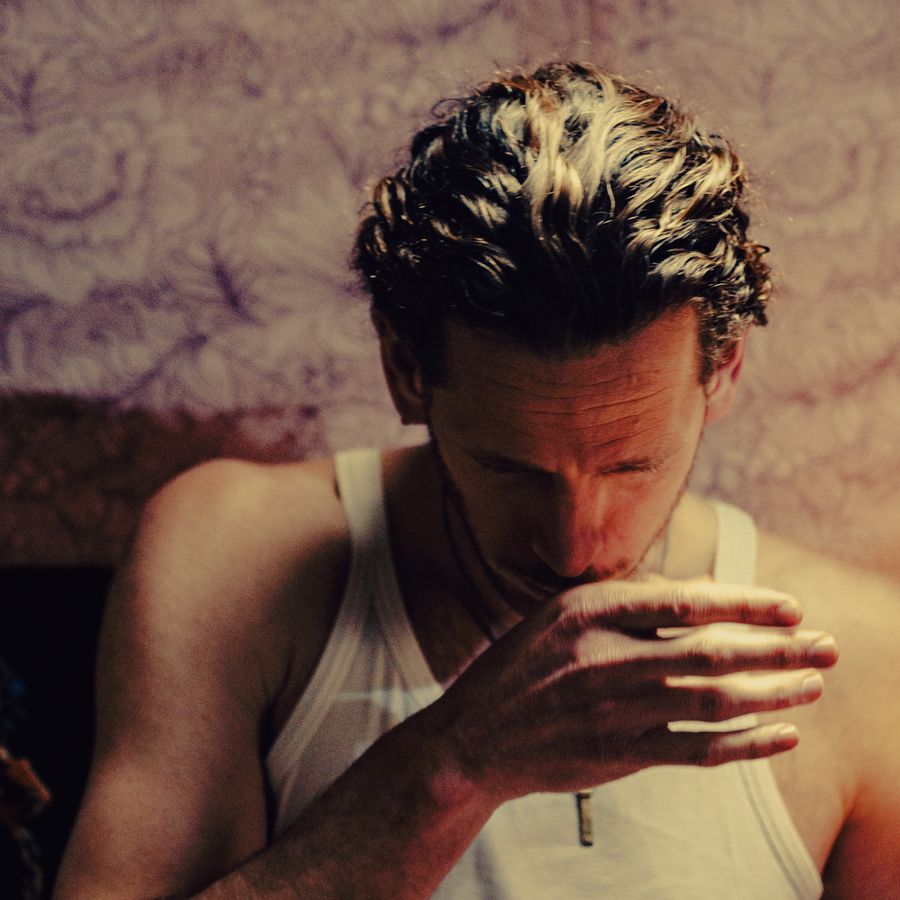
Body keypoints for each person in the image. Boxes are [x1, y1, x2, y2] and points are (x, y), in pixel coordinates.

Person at [56, 62, 900, 899]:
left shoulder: (861, 661)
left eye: (630, 465)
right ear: (405, 371)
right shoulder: (232, 560)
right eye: (510, 468)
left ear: (725, 370)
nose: (573, 547)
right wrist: (458, 764)